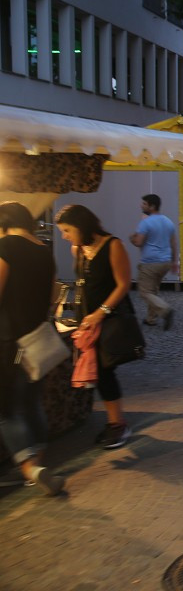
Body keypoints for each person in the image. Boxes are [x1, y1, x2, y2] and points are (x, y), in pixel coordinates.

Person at [55, 204, 137, 449]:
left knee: (104, 371)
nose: (64, 236)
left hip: (107, 320)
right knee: (96, 372)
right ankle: (114, 422)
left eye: (67, 230)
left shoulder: (113, 245)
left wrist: (100, 313)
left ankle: (117, 424)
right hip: (87, 323)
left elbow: (123, 285)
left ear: (82, 226)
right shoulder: (77, 249)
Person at [0, 202, 64, 495]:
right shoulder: (43, 249)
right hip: (38, 338)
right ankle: (38, 464)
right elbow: (54, 295)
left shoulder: (6, 247)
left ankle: (30, 468)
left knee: (7, 410)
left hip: (10, 340)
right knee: (31, 402)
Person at [128, 194, 178, 330]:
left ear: (152, 206)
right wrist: (174, 262)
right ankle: (151, 319)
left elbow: (139, 242)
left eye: (144, 204)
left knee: (144, 292)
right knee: (153, 291)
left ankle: (166, 310)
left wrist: (131, 238)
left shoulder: (145, 222)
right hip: (165, 262)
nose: (141, 206)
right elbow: (173, 243)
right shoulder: (168, 221)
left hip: (150, 262)